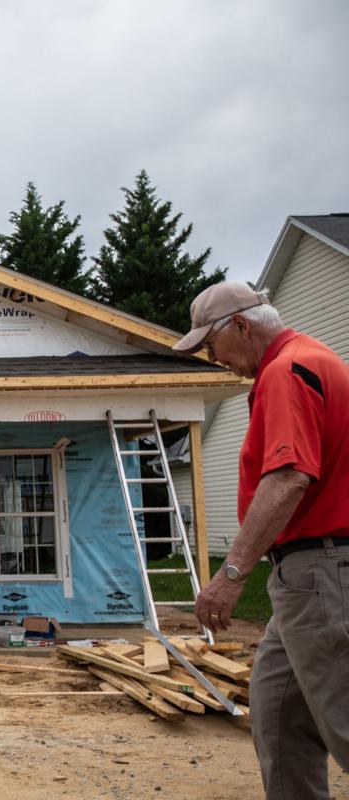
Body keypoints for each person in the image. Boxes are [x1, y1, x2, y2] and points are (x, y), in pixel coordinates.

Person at [175, 281, 349, 798]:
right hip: (306, 575)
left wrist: (232, 574)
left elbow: (290, 477)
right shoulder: (310, 359)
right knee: (277, 710)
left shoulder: (286, 371)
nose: (213, 358)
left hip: (321, 572)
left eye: (211, 345)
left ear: (241, 326)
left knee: (343, 720)